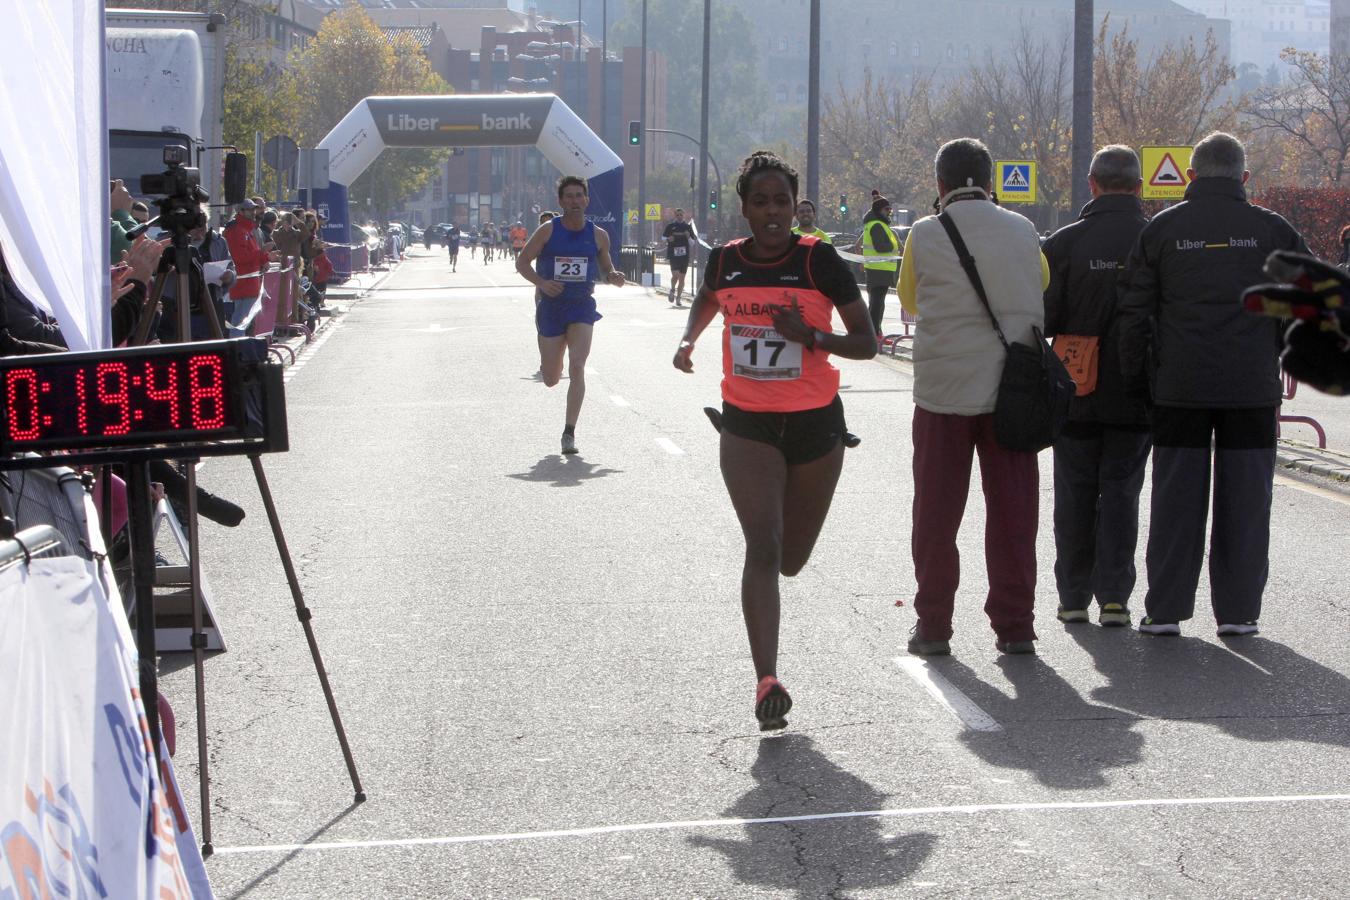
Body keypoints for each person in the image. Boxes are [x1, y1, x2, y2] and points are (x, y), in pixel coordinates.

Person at [672, 150, 877, 730]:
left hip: (816, 426)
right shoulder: (725, 262)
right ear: (742, 208)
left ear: (794, 206)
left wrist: (812, 335)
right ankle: (767, 681)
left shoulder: (819, 261)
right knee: (762, 546)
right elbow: (709, 297)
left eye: (781, 201)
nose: (771, 212)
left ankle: (769, 663)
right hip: (747, 424)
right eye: (760, 201)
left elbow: (867, 343)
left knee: (791, 559)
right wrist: (688, 340)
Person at [1116, 132, 1309, 637]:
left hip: (1179, 387)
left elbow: (1134, 314)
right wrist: (1277, 350)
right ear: (1244, 178)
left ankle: (1165, 611)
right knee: (1246, 501)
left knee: (1176, 498)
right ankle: (1240, 613)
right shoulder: (1273, 230)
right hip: (1251, 388)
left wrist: (1140, 382)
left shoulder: (1162, 229)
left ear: (1191, 175)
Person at [897, 138, 1049, 657]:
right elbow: (1041, 283)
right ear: (990, 181)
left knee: (937, 514)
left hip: (944, 395)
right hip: (1014, 393)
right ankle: (1015, 627)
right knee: (1013, 513)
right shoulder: (1025, 230)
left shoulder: (925, 232)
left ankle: (934, 625)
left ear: (940, 186)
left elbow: (911, 299)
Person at [1041, 146, 1152, 628]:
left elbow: (1043, 317)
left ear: (1091, 184)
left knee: (1074, 493)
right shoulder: (1154, 238)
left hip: (1076, 386)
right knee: (1122, 492)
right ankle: (1115, 598)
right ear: (1139, 186)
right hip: (1137, 389)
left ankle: (1071, 598)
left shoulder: (1064, 242)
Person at [516, 176, 625, 455]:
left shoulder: (599, 234)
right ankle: (551, 363)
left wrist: (613, 276)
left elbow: (606, 267)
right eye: (570, 197)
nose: (575, 201)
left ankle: (569, 432)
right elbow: (522, 262)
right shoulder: (547, 230)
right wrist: (542, 283)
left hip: (581, 305)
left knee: (578, 366)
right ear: (561, 201)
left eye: (580, 196)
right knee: (552, 378)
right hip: (552, 307)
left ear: (587, 200)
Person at [223, 199, 277, 336]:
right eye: (250, 209)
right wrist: (264, 253)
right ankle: (236, 350)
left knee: (241, 320)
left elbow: (252, 254)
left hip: (248, 282)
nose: (254, 212)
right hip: (243, 282)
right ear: (241, 211)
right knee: (240, 321)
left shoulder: (247, 229)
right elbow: (240, 257)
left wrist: (265, 256)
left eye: (254, 209)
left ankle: (237, 348)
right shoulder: (238, 230)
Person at [854, 196, 898, 336]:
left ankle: (875, 331)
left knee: (876, 303)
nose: (889, 212)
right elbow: (880, 247)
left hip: (879, 268)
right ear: (879, 210)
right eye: (887, 209)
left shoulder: (876, 223)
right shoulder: (877, 225)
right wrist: (891, 246)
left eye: (890, 210)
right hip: (879, 269)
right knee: (877, 304)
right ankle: (874, 332)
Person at [662, 208, 695, 308]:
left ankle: (678, 298)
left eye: (681, 215)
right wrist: (668, 239)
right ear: (675, 216)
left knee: (682, 278)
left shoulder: (688, 227)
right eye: (678, 215)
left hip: (684, 256)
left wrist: (688, 237)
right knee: (675, 275)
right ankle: (672, 289)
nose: (680, 217)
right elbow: (663, 238)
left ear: (684, 215)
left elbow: (693, 243)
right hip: (673, 255)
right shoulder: (670, 226)